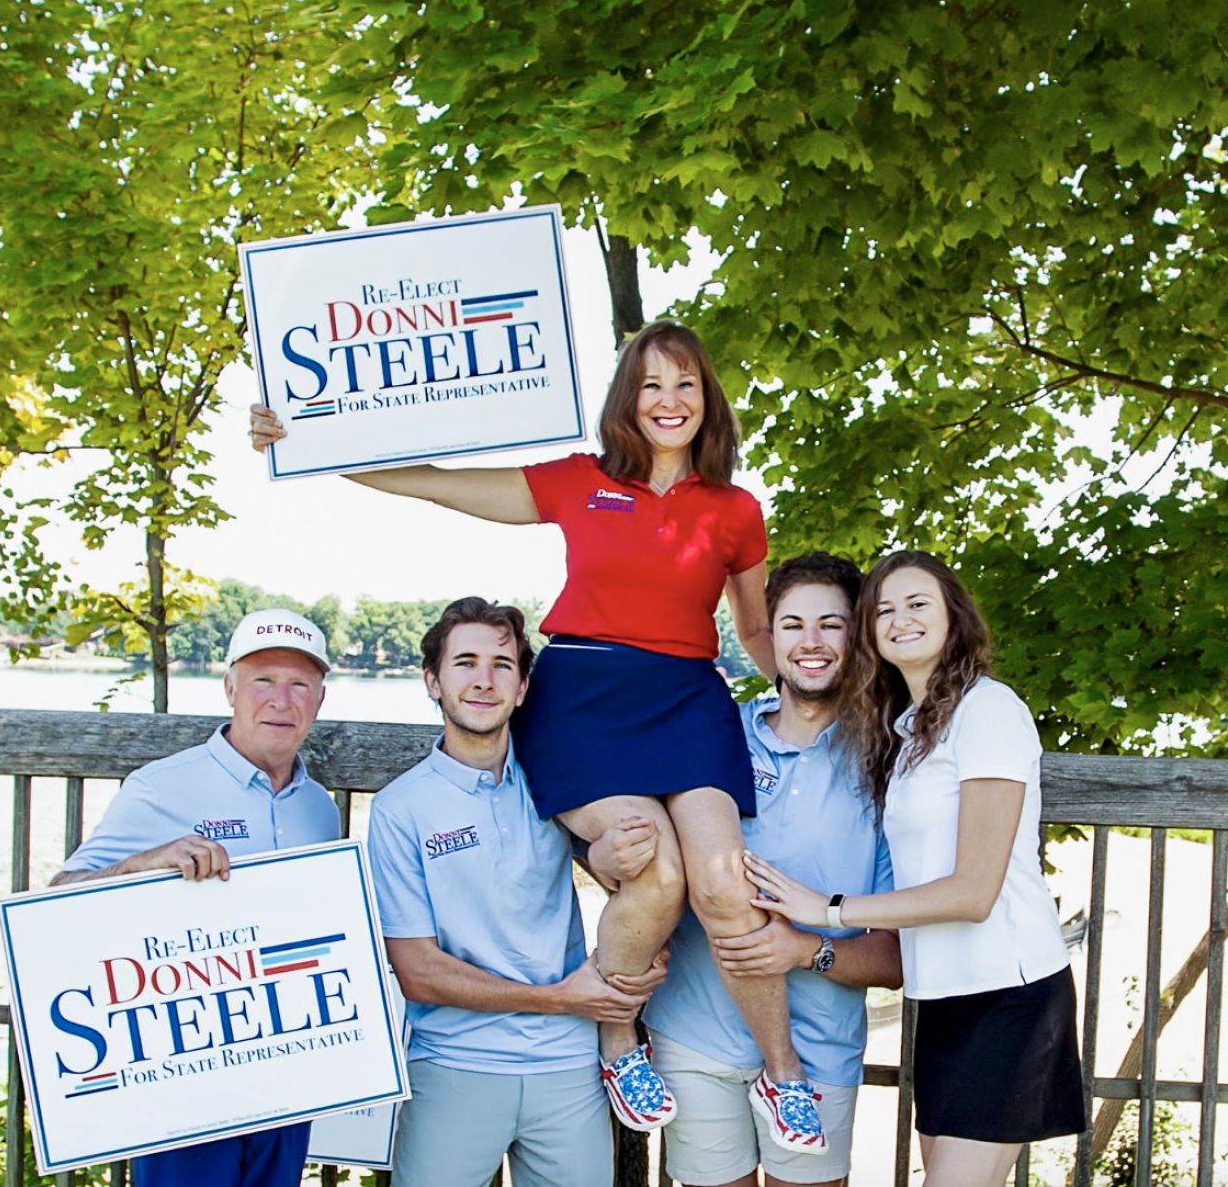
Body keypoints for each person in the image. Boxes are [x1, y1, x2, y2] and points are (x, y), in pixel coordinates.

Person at [252, 320, 824, 1149]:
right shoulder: (579, 482)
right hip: (584, 697)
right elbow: (439, 484)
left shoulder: (735, 511)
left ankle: (784, 1073)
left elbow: (757, 627)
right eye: (651, 385)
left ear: (708, 402)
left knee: (723, 882)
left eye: (686, 385)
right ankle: (618, 1041)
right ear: (627, 399)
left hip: (687, 701)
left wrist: (822, 700)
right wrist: (310, 441)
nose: (668, 401)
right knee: (654, 872)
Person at [744, 550, 1085, 1187]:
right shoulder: (910, 730)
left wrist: (830, 911)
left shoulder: (990, 709)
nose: (901, 619)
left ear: (954, 615)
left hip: (1008, 995)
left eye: (918, 603)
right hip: (941, 995)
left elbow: (973, 891)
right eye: (884, 610)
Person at [366, 597, 666, 1187]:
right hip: (455, 1065)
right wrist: (564, 998)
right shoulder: (400, 808)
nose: (484, 680)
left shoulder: (556, 780)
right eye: (465, 663)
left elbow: (620, 876)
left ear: (524, 687)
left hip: (568, 1067)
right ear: (433, 681)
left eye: (502, 665)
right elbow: (417, 972)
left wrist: (640, 954)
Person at [51, 608, 339, 1187]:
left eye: (299, 684)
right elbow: (58, 898)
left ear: (319, 699)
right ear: (230, 687)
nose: (280, 699)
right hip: (187, 1071)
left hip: (287, 1069)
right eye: (262, 680)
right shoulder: (163, 786)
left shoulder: (320, 809)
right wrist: (141, 865)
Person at [640, 552, 902, 1187]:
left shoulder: (888, 766)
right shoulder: (716, 735)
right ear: (770, 636)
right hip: (695, 1036)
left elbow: (899, 959)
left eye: (830, 625)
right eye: (792, 625)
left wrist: (802, 949)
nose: (810, 642)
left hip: (818, 1052)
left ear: (858, 635)